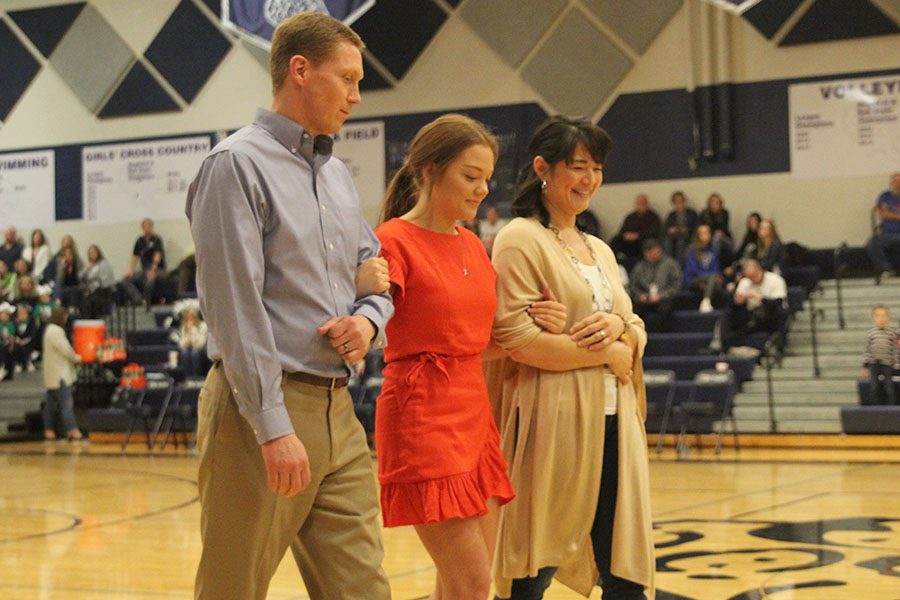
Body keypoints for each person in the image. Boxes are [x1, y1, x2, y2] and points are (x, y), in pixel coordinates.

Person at [185, 12, 393, 600]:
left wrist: (368, 320)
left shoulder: (337, 178)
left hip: (339, 410)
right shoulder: (235, 166)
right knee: (234, 588)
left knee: (365, 589)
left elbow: (377, 277)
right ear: (299, 70)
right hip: (260, 409)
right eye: (347, 79)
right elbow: (236, 310)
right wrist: (272, 427)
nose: (357, 95)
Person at [372, 114, 566, 599]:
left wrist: (536, 322)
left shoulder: (475, 248)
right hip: (421, 417)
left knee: (462, 588)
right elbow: (368, 320)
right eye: (470, 176)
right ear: (429, 170)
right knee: (472, 585)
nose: (482, 190)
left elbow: (474, 345)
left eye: (487, 178)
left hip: (474, 415)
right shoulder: (390, 242)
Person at [488, 115, 654, 599]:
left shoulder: (600, 248)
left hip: (615, 422)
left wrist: (622, 331)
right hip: (551, 420)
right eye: (579, 167)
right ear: (543, 168)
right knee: (532, 570)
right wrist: (608, 354)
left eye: (597, 169)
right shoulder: (520, 238)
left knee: (623, 570)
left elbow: (634, 323)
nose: (590, 180)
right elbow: (519, 341)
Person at [41, 307, 83, 441]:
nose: (66, 319)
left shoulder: (48, 330)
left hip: (51, 374)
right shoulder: (56, 331)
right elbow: (66, 350)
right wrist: (77, 358)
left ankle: (49, 431)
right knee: (66, 403)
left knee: (49, 405)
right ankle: (73, 431)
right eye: (65, 317)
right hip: (61, 375)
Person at [630, 238, 682, 332]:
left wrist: (661, 296)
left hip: (664, 298)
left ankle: (661, 336)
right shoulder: (639, 267)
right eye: (649, 253)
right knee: (636, 309)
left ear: (660, 250)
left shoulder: (671, 264)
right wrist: (641, 296)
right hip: (645, 298)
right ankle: (641, 334)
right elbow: (633, 287)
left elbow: (676, 285)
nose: (652, 255)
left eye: (654, 252)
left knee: (665, 308)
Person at [730, 259, 788, 341]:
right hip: (752, 314)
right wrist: (738, 301)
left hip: (770, 314)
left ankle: (777, 342)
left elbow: (778, 303)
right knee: (729, 312)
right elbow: (737, 303)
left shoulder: (775, 280)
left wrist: (760, 298)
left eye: (754, 276)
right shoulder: (745, 282)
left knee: (778, 311)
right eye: (749, 277)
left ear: (760, 270)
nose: (752, 280)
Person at [861, 305, 898, 406]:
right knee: (874, 387)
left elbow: (894, 350)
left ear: (888, 317)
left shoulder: (891, 333)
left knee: (889, 388)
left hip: (887, 365)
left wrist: (896, 364)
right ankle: (875, 408)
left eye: (883, 316)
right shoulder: (871, 334)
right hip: (874, 364)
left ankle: (891, 408)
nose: (881, 319)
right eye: (878, 316)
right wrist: (865, 366)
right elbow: (867, 351)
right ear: (873, 318)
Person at [122, 218, 165, 305]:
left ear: (152, 227)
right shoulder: (139, 241)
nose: (146, 228)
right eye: (144, 226)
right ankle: (139, 300)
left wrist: (153, 269)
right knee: (125, 281)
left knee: (149, 281)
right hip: (144, 269)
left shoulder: (157, 239)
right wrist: (131, 270)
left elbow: (158, 255)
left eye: (148, 226)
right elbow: (135, 256)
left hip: (156, 269)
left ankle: (148, 302)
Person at [684, 224, 725, 313]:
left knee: (718, 285)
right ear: (698, 235)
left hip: (710, 280)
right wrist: (708, 278)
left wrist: (717, 276)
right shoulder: (691, 250)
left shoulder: (713, 249)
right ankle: (706, 302)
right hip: (693, 279)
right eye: (703, 233)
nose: (706, 235)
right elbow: (692, 269)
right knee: (712, 279)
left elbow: (716, 267)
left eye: (707, 232)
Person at [610, 193, 661, 261]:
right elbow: (622, 231)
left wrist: (638, 235)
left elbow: (654, 232)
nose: (641, 205)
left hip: (642, 240)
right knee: (615, 240)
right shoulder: (630, 217)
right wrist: (626, 235)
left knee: (647, 243)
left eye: (643, 203)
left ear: (647, 204)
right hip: (628, 242)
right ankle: (613, 261)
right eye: (639, 203)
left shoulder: (653, 217)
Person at [868, 172, 900, 279]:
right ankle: (886, 270)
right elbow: (883, 214)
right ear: (891, 183)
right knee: (873, 243)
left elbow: (888, 213)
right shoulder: (885, 196)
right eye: (895, 181)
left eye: (899, 182)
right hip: (887, 233)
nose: (897, 184)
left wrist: (891, 214)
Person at [80, 245, 116, 319]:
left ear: (98, 253)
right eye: (90, 253)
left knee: (91, 301)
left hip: (103, 291)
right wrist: (86, 269)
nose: (92, 255)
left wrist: (90, 290)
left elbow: (102, 280)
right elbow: (80, 277)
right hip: (90, 290)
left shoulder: (104, 264)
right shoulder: (90, 265)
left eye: (93, 252)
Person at [663, 190, 698, 261]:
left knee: (681, 242)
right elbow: (666, 229)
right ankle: (669, 263)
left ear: (684, 201)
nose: (679, 204)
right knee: (667, 242)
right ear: (674, 203)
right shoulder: (671, 215)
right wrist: (671, 230)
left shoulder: (692, 213)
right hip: (673, 237)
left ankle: (680, 265)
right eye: (676, 202)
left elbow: (696, 227)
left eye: (681, 201)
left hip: (688, 236)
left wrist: (686, 229)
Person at [176, 307, 208, 377]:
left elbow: (200, 344)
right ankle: (188, 377)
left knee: (195, 353)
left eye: (192, 317)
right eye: (188, 318)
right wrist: (188, 333)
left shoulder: (203, 326)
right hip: (189, 350)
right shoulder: (184, 327)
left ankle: (196, 376)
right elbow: (182, 344)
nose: (190, 320)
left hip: (202, 351)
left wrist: (193, 331)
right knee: (184, 353)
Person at [700, 192, 733, 261]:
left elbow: (724, 227)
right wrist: (715, 233)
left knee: (724, 240)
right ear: (709, 203)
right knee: (716, 239)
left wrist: (721, 233)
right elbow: (706, 228)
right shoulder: (704, 214)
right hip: (710, 237)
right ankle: (715, 262)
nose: (715, 204)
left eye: (717, 202)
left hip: (724, 236)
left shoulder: (724, 213)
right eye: (713, 202)